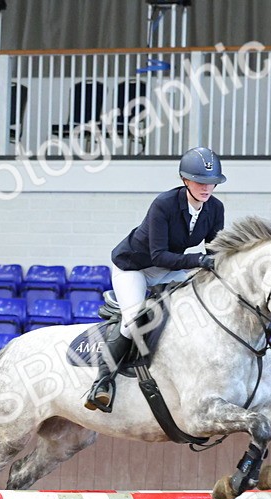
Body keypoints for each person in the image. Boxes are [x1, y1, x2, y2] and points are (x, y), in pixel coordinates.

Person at [86, 146, 227, 412]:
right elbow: (159, 254)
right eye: (200, 182)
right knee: (134, 318)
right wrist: (198, 261)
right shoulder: (164, 204)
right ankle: (102, 382)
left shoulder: (215, 209)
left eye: (212, 183)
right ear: (185, 180)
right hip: (135, 268)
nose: (206, 188)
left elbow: (213, 251)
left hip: (168, 268)